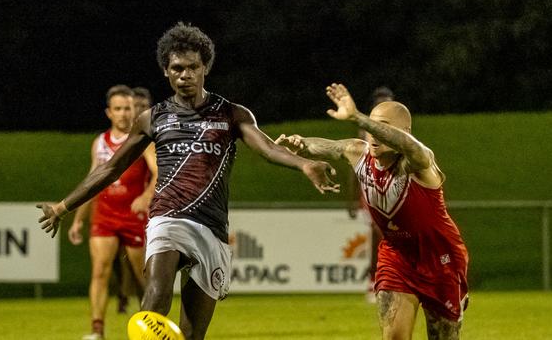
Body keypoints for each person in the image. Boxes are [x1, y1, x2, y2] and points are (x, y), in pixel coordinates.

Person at [37, 22, 340, 340]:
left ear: (205, 67)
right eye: (177, 68)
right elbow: (110, 168)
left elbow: (267, 148)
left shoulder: (231, 114)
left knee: (192, 333)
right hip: (167, 219)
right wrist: (63, 206)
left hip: (212, 229)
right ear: (166, 72)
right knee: (154, 298)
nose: (185, 75)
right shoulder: (152, 118)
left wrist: (304, 164)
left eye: (193, 67)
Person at [275, 83, 469, 339]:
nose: (373, 133)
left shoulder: (419, 162)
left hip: (440, 258)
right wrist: (301, 145)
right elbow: (329, 147)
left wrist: (358, 117)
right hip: (396, 256)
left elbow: (412, 147)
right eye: (371, 127)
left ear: (405, 132)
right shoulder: (359, 153)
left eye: (383, 126)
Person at [67, 84, 158, 340]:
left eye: (128, 108)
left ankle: (150, 325)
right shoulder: (100, 143)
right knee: (100, 270)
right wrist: (77, 220)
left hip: (134, 216)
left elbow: (158, 174)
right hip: (105, 215)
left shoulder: (142, 140)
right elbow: (92, 181)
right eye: (118, 109)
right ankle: (97, 331)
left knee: (143, 278)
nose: (124, 114)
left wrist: (146, 196)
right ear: (109, 112)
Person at [346, 86, 396, 304]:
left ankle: (393, 281)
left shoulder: (400, 130)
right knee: (378, 233)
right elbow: (354, 165)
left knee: (395, 236)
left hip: (395, 189)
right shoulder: (364, 131)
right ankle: (372, 279)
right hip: (372, 188)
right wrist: (352, 197)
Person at [112, 86, 155, 314]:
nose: (136, 111)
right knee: (122, 258)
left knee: (142, 262)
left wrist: (147, 194)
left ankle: (147, 308)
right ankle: (125, 293)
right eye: (133, 107)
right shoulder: (130, 136)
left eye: (141, 106)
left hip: (154, 206)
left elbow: (159, 171)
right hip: (125, 206)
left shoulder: (154, 133)